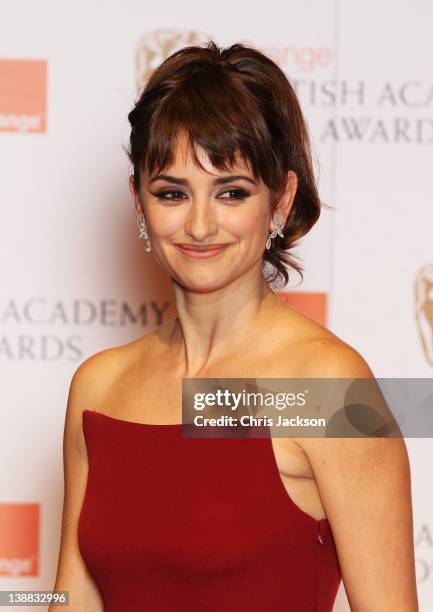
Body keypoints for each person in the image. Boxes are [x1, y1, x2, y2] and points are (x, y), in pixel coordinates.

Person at [50, 41, 418, 611]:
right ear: (139, 202)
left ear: (280, 200)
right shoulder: (99, 388)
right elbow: (71, 602)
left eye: (231, 192)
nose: (199, 225)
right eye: (172, 192)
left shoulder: (326, 388)